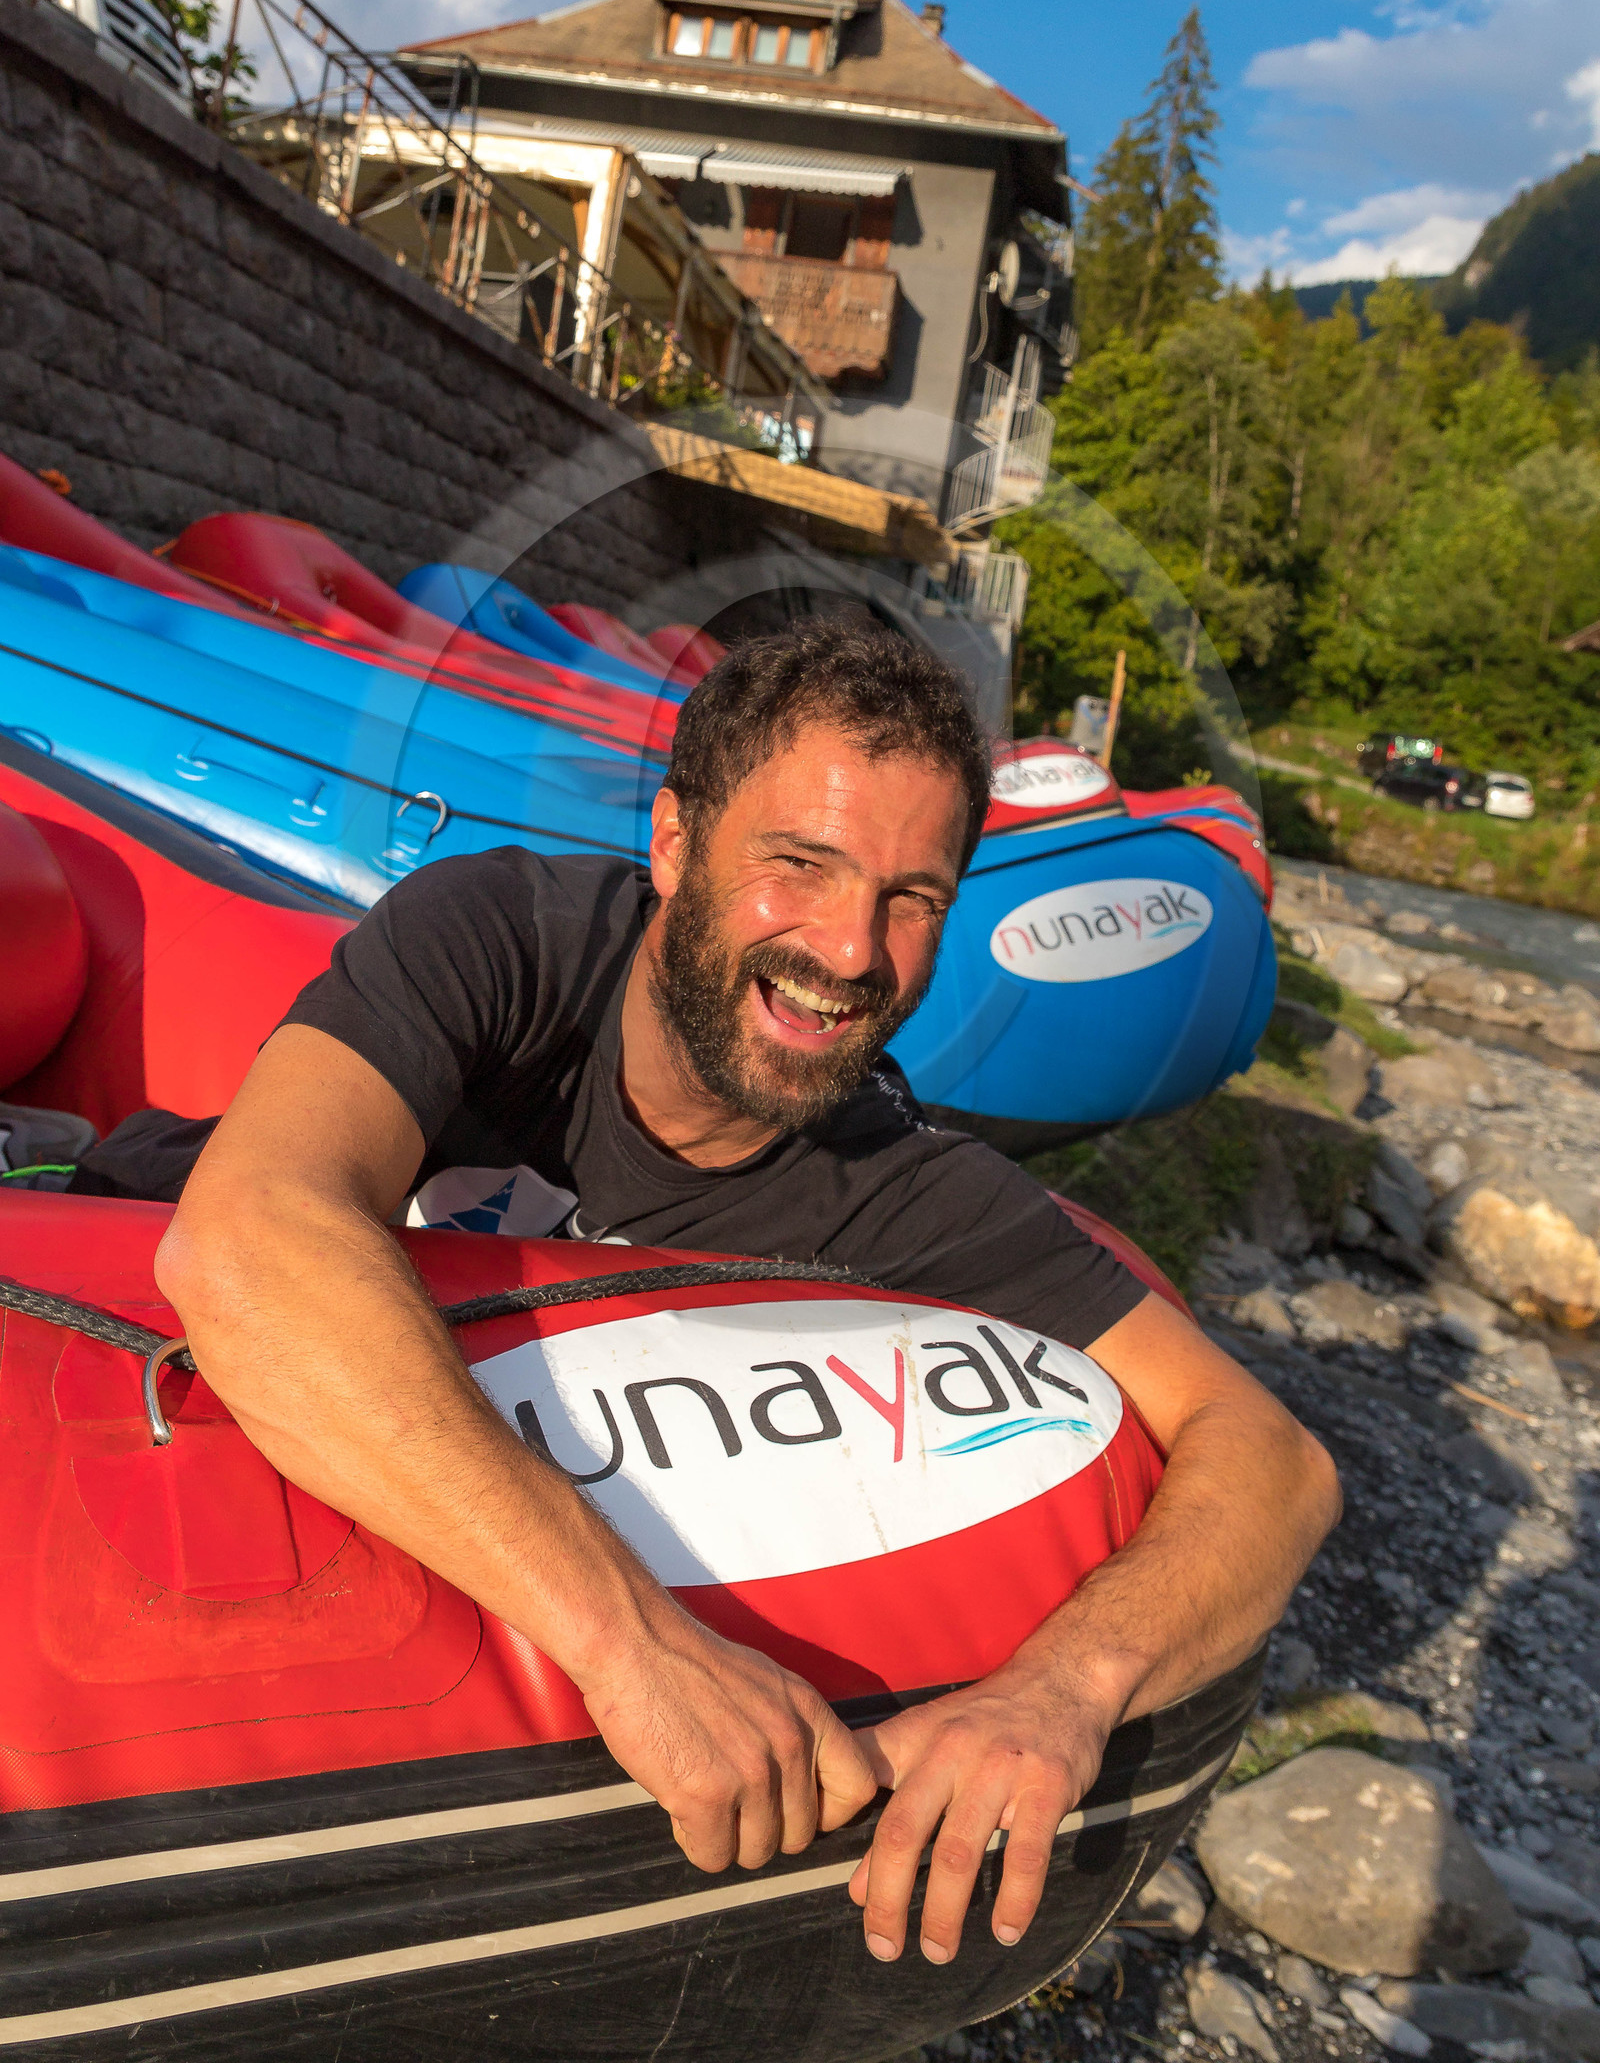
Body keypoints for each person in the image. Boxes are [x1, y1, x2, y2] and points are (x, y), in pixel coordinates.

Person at [153, 620, 1339, 1971]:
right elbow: (247, 1241)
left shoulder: (901, 1189)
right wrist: (630, 1645)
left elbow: (1272, 1458)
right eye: (799, 865)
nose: (851, 950)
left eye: (912, 897)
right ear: (675, 843)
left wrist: (1059, 1693)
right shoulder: (504, 942)